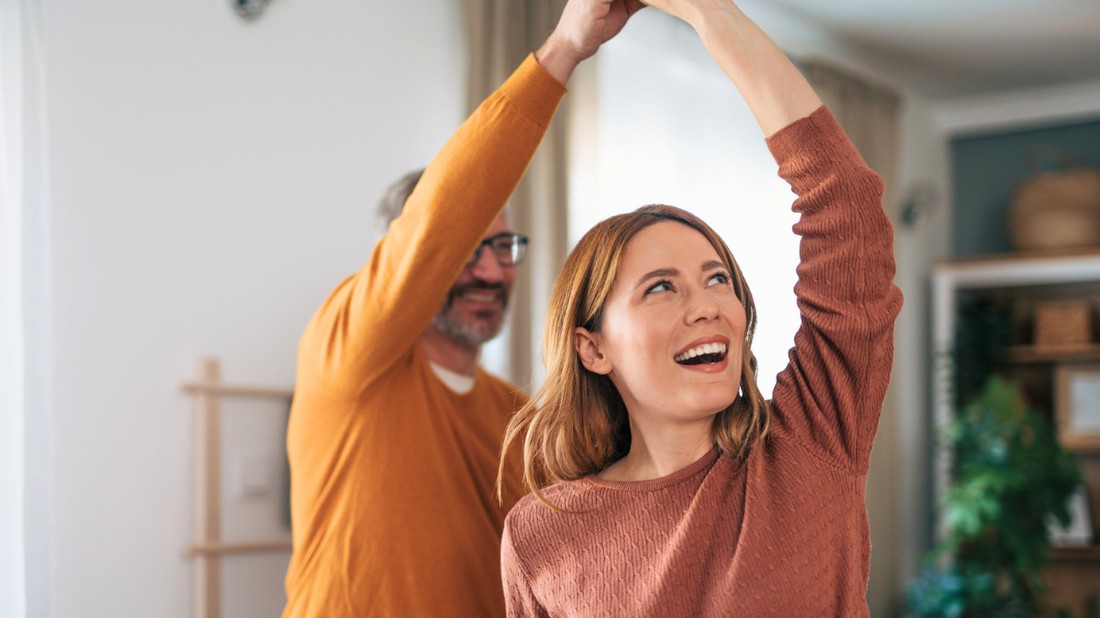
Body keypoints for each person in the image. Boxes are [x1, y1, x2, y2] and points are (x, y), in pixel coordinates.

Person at [497, 0, 904, 616]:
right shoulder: (540, 535)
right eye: (661, 288)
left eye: (718, 279)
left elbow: (847, 210)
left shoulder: (809, 446)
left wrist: (706, 11)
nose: (708, 306)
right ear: (593, 348)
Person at [281, 1, 643, 616]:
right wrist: (564, 48)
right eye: (468, 248)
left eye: (503, 247)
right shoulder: (345, 356)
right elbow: (441, 217)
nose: (491, 271)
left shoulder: (516, 418)